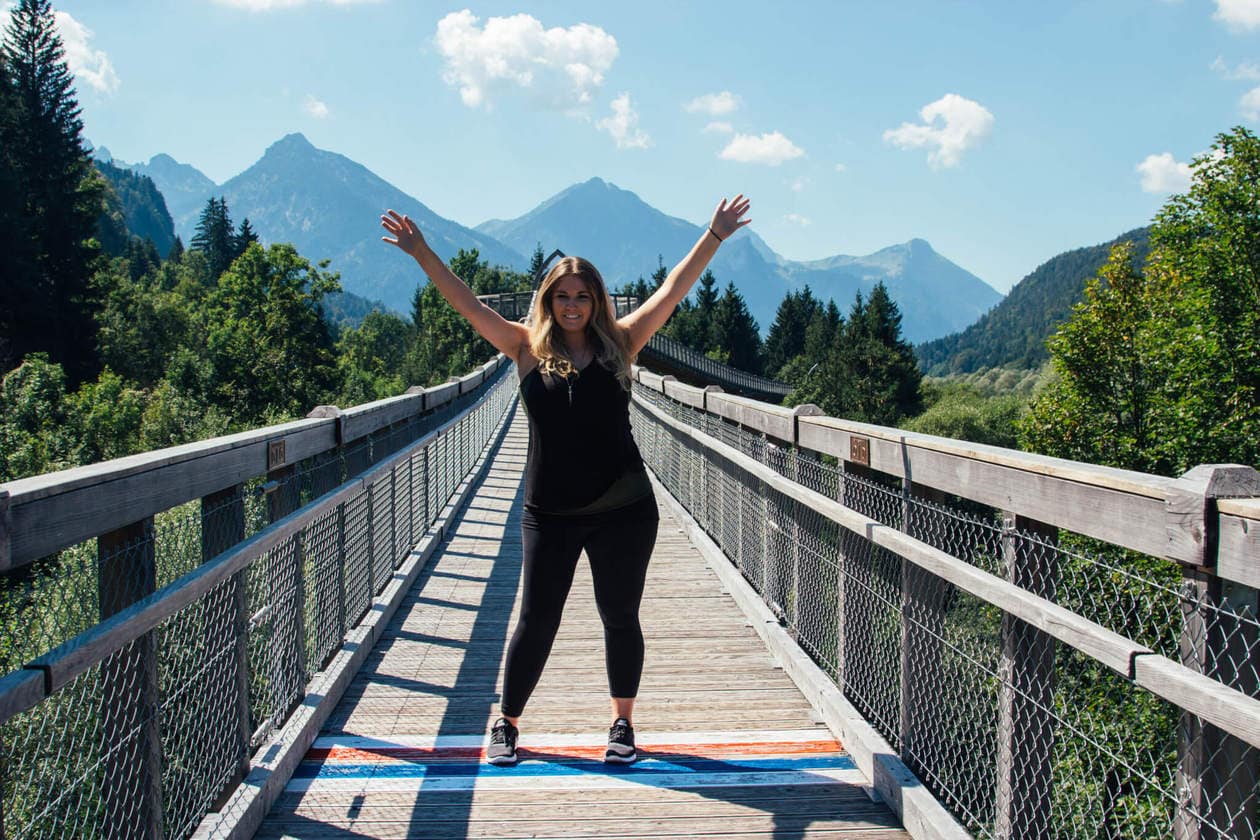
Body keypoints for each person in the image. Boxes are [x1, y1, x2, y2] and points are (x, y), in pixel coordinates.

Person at [380, 195, 751, 766]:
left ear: (596, 300)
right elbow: (464, 302)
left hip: (624, 507)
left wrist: (714, 235)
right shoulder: (522, 347)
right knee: (536, 618)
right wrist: (421, 252)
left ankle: (622, 724)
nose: (572, 305)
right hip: (548, 511)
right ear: (547, 301)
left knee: (620, 615)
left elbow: (672, 291)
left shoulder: (622, 342)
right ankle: (507, 724)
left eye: (582, 296)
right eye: (562, 296)